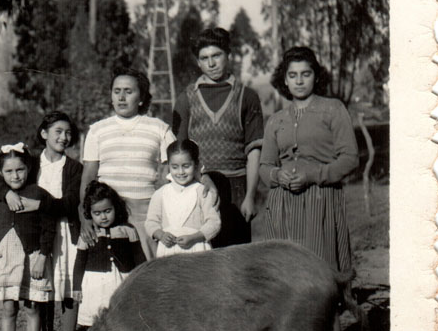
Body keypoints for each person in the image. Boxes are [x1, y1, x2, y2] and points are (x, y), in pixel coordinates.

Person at [259, 46, 359, 271]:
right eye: (292, 75)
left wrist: (314, 175)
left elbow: (350, 158)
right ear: (284, 80)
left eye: (306, 74)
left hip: (320, 200)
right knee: (285, 273)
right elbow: (265, 166)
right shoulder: (276, 120)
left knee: (320, 272)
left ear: (316, 76)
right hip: (282, 205)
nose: (299, 81)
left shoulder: (333, 109)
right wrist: (277, 175)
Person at [172, 26, 264, 246]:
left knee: (236, 258)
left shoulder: (247, 96)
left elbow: (254, 152)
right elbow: (180, 153)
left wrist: (250, 196)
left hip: (237, 188)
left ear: (228, 55)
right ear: (198, 62)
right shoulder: (186, 98)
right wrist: (199, 181)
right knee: (201, 257)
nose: (211, 63)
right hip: (199, 185)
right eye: (204, 58)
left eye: (216, 55)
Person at [79, 70, 176, 260]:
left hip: (145, 213)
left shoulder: (159, 128)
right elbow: (88, 177)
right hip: (108, 213)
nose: (121, 97)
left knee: (146, 270)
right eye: (117, 91)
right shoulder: (97, 130)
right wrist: (86, 216)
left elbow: (178, 165)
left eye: (128, 92)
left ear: (141, 98)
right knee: (113, 271)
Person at [0, 142, 56, 331]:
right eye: (8, 171)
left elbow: (49, 229)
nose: (15, 175)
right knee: (8, 307)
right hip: (6, 256)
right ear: (1, 173)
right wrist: (6, 192)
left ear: (28, 168)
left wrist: (42, 258)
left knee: (32, 306)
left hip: (32, 256)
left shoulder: (38, 194)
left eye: (20, 170)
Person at [35, 111, 83, 331]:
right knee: (42, 289)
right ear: (44, 133)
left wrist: (38, 204)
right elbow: (4, 179)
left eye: (68, 133)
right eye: (58, 132)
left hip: (66, 232)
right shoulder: (32, 165)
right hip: (40, 236)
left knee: (67, 287)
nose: (64, 137)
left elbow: (70, 203)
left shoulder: (75, 168)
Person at [73, 181, 145, 329]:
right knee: (95, 318)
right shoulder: (88, 235)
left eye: (107, 211)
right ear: (89, 213)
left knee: (121, 318)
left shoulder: (128, 230)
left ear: (115, 208)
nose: (103, 217)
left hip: (122, 281)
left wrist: (141, 281)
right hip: (95, 283)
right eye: (97, 213)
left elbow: (139, 259)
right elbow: (79, 262)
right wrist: (76, 287)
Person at [145, 139, 221, 256]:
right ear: (169, 166)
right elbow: (150, 222)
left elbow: (214, 223)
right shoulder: (160, 193)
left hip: (197, 249)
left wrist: (195, 238)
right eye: (175, 167)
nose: (181, 172)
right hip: (168, 250)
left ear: (196, 165)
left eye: (186, 166)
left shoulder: (202, 192)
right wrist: (161, 235)